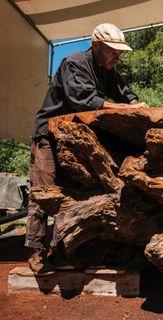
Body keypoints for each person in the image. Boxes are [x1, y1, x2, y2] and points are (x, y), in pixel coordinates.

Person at [25, 23, 149, 275]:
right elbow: (83, 100)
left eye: (120, 51)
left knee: (75, 192)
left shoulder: (108, 70)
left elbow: (125, 93)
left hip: (74, 138)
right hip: (48, 134)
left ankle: (64, 249)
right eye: (113, 50)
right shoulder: (74, 63)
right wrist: (125, 109)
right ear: (95, 45)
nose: (118, 55)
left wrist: (137, 104)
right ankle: (36, 251)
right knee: (44, 192)